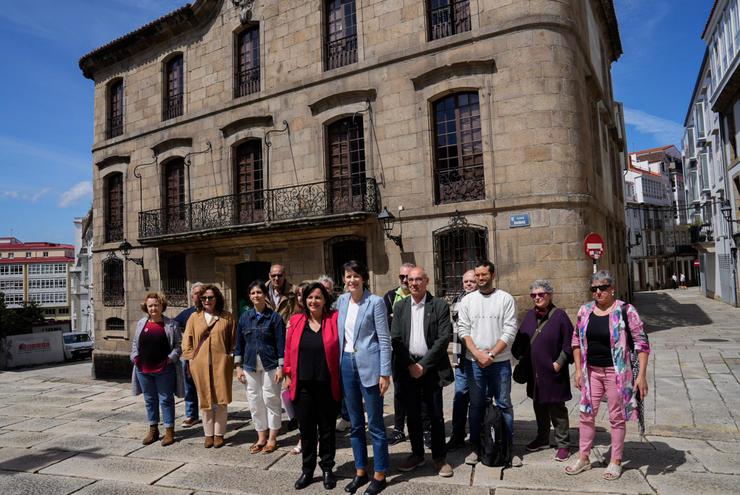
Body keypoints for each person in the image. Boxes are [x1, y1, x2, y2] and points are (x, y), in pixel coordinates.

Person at [565, 270, 650, 481]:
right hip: (591, 372)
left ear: (612, 289)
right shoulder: (585, 311)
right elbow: (576, 341)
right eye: (594, 289)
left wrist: (642, 376)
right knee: (586, 413)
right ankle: (584, 457)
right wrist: (577, 370)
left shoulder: (625, 310)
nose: (598, 292)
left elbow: (642, 343)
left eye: (603, 288)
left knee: (616, 417)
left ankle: (616, 460)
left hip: (617, 373)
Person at [391, 267, 454, 478]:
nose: (414, 283)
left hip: (432, 368)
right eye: (411, 280)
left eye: (419, 279)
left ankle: (439, 457)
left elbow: (443, 338)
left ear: (426, 281)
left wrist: (423, 366)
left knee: (435, 415)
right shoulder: (400, 307)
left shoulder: (439, 306)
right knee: (413, 414)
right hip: (407, 368)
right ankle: (416, 454)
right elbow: (396, 339)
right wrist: (411, 365)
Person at [456, 260, 518, 466]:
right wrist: (477, 354)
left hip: (499, 362)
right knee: (475, 406)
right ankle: (476, 446)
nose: (480, 278)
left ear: (492, 274)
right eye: (477, 275)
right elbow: (463, 330)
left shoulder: (505, 299)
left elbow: (510, 331)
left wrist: (490, 355)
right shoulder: (467, 301)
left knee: (504, 404)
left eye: (484, 275)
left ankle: (508, 447)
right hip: (474, 363)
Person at [338, 260, 391, 495]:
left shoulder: (375, 302)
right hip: (346, 365)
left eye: (355, 276)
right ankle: (361, 471)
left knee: (376, 424)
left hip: (370, 367)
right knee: (356, 424)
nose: (352, 280)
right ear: (343, 279)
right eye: (348, 276)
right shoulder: (340, 301)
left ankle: (380, 474)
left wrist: (385, 372)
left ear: (363, 279)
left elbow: (384, 339)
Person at [284, 282, 341, 490]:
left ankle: (327, 468)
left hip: (327, 384)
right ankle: (307, 470)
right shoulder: (296, 321)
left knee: (327, 430)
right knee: (307, 431)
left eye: (318, 297)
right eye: (309, 297)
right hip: (303, 386)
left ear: (325, 300)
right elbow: (289, 349)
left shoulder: (334, 319)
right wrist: (288, 373)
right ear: (304, 300)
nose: (313, 301)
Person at [511, 280, 574, 462]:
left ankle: (563, 444)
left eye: (541, 294)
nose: (537, 298)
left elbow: (569, 343)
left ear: (550, 295)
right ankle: (542, 438)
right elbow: (520, 341)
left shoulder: (560, 316)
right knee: (538, 404)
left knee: (557, 408)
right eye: (534, 295)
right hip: (534, 373)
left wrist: (559, 363)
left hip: (553, 372)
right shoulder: (529, 315)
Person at [182, 284, 237, 449]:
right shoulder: (194, 317)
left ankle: (219, 434)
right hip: (200, 364)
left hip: (221, 364)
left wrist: (230, 358)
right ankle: (208, 434)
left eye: (210, 297)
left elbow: (233, 341)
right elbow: (187, 341)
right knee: (205, 399)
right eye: (204, 298)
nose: (207, 300)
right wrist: (191, 359)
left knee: (221, 399)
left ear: (217, 298)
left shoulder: (227, 317)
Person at [235, 280, 286, 455]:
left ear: (265, 295)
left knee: (271, 399)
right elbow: (239, 344)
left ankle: (272, 438)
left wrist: (281, 367)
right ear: (249, 297)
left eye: (259, 292)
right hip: (250, 365)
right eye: (253, 293)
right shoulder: (244, 317)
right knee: (255, 401)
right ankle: (261, 437)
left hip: (270, 364)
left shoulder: (275, 318)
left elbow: (281, 344)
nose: (256, 296)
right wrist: (238, 366)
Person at [130, 292, 183, 446]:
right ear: (146, 307)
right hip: (143, 369)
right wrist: (135, 358)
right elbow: (135, 344)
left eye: (156, 305)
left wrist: (169, 359)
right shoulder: (141, 323)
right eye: (150, 305)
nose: (153, 308)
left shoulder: (172, 324)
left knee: (166, 400)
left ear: (162, 306)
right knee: (149, 400)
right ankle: (153, 429)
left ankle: (169, 431)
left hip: (164, 369)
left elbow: (179, 347)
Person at [383, 262, 415, 445]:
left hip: (418, 353)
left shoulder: (421, 295)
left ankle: (424, 428)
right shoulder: (389, 297)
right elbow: (385, 322)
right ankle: (398, 429)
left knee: (420, 393)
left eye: (408, 277)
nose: (405, 280)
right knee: (400, 392)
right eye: (402, 277)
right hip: (397, 352)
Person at [447, 269, 477, 451]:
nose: (468, 284)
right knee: (460, 396)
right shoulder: (457, 300)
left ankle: (478, 435)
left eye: (471, 281)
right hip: (461, 355)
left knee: (480, 398)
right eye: (465, 281)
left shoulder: (484, 299)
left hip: (478, 356)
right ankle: (457, 435)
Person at [174, 282, 204, 428]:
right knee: (189, 387)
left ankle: (210, 412)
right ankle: (192, 415)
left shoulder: (211, 311)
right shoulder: (188, 313)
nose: (198, 296)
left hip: (207, 356)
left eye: (201, 293)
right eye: (196, 293)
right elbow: (173, 324)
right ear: (192, 297)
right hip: (190, 356)